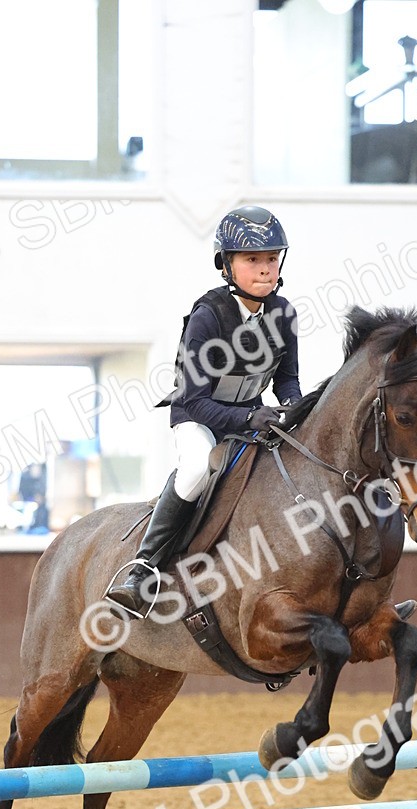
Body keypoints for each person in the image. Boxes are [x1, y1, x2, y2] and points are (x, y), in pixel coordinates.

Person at [106, 204, 301, 617]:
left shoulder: (284, 314)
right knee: (197, 467)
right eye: (253, 259)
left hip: (252, 417)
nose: (265, 269)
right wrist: (250, 418)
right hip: (199, 418)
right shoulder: (208, 316)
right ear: (227, 266)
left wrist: (291, 404)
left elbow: (287, 378)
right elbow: (193, 398)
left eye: (271, 258)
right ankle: (142, 569)